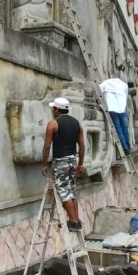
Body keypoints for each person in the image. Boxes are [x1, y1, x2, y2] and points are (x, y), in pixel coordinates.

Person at [42, 97, 85, 231]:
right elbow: (82, 146)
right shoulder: (76, 123)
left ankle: (72, 221)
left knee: (64, 191)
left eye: (53, 108)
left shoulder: (53, 124)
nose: (52, 111)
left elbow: (47, 146)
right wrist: (80, 164)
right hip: (73, 160)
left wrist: (44, 163)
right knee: (72, 190)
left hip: (60, 161)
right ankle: (76, 219)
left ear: (57, 109)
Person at [99, 77, 130, 154]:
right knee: (125, 128)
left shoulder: (105, 84)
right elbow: (126, 96)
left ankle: (125, 148)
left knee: (118, 128)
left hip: (112, 108)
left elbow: (99, 92)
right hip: (122, 109)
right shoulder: (123, 85)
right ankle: (127, 146)